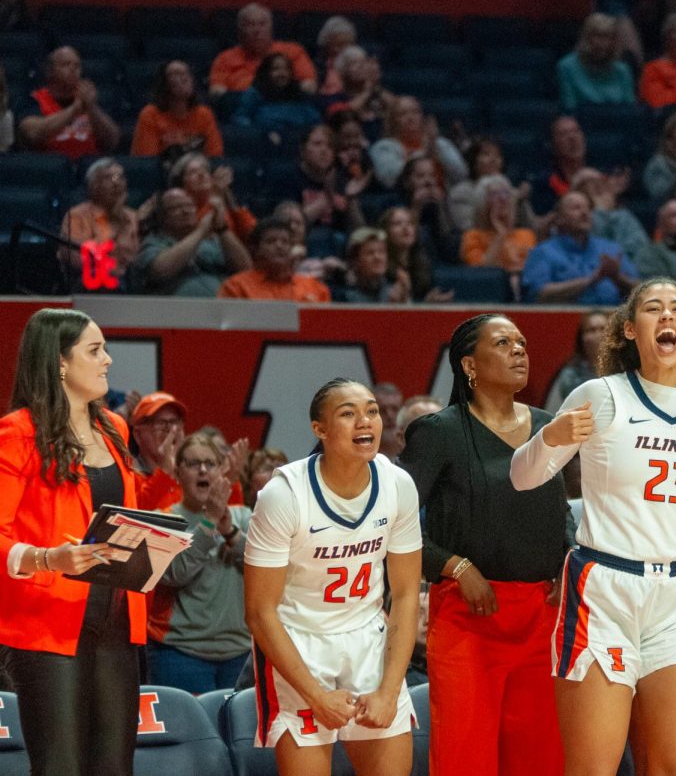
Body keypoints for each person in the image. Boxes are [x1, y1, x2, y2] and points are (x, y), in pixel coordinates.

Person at [510, 278, 676, 776]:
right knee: (593, 768)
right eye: (653, 309)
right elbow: (523, 476)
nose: (667, 316)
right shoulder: (600, 395)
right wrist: (548, 437)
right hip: (606, 590)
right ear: (629, 330)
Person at [399, 314, 571, 775]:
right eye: (503, 342)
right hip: (468, 616)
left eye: (521, 342)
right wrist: (452, 565)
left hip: (541, 616)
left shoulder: (546, 425)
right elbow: (391, 522)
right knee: (465, 758)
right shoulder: (438, 432)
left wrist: (565, 559)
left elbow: (563, 509)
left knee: (540, 758)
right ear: (469, 365)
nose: (519, 350)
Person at [244, 378, 422, 775]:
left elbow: (408, 594)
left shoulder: (398, 485)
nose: (366, 421)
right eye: (348, 413)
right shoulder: (284, 495)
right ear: (319, 429)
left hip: (369, 639)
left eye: (372, 411)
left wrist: (390, 689)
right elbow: (259, 612)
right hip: (299, 642)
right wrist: (316, 695)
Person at [0, 308, 142, 775]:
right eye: (95, 350)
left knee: (115, 768)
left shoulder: (114, 429)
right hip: (49, 627)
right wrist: (47, 558)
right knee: (61, 767)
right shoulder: (17, 434)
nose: (108, 360)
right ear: (59, 362)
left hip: (116, 625)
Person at [147, 432, 252, 693]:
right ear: (178, 472)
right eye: (193, 464)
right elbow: (175, 573)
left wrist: (230, 533)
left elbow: (265, 570)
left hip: (239, 652)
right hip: (179, 653)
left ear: (221, 472)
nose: (203, 470)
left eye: (210, 463)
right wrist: (208, 525)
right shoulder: (163, 520)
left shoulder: (243, 516)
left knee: (239, 733)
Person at [130, 188, 253, 297]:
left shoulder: (212, 242)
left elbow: (245, 269)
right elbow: (161, 270)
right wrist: (201, 231)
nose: (186, 211)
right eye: (177, 207)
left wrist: (222, 228)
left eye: (190, 206)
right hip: (177, 316)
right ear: (162, 217)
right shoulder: (153, 243)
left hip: (223, 313)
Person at [522, 190, 639, 304]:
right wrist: (590, 281)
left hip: (614, 319)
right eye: (576, 208)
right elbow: (538, 295)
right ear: (559, 219)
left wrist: (617, 277)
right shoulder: (543, 252)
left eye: (588, 208)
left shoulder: (611, 249)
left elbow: (641, 292)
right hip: (563, 320)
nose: (585, 213)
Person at [18, 46, 118, 158]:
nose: (73, 69)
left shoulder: (90, 100)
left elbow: (112, 141)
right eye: (65, 64)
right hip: (51, 167)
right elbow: (33, 134)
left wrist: (92, 108)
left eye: (77, 66)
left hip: (89, 169)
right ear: (50, 71)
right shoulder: (35, 99)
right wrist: (74, 110)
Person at [209, 3, 317, 96]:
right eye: (251, 25)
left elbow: (309, 85)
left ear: (271, 28)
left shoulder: (293, 51)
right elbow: (216, 90)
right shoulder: (224, 58)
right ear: (240, 30)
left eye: (262, 24)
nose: (257, 30)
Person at [59, 158, 139, 283]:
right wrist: (117, 225)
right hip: (91, 283)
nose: (116, 183)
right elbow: (78, 261)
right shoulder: (76, 216)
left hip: (130, 283)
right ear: (93, 185)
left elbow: (138, 259)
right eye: (108, 178)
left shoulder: (133, 216)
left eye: (120, 178)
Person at [218, 216, 332, 302]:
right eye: (271, 241)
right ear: (256, 249)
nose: (279, 246)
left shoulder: (316, 288)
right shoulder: (236, 287)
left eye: (285, 242)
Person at [369, 96, 468, 192]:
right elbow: (389, 178)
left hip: (444, 197)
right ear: (392, 120)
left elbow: (461, 174)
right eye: (403, 114)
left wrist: (435, 146)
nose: (410, 118)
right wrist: (426, 151)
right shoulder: (383, 147)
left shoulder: (440, 143)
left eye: (415, 112)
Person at [460, 177, 537, 297]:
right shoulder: (472, 236)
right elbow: (481, 274)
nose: (502, 199)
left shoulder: (526, 235)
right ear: (482, 203)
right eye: (494, 195)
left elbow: (534, 272)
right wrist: (501, 235)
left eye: (506, 193)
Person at [131, 60, 223, 159]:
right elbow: (147, 161)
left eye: (186, 74)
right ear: (164, 83)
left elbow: (215, 156)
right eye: (176, 74)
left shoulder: (204, 114)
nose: (184, 79)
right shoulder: (150, 114)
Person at [168, 153, 257, 250]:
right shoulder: (178, 210)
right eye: (192, 172)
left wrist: (228, 196)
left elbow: (255, 236)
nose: (201, 174)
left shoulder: (221, 201)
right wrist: (216, 196)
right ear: (181, 183)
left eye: (205, 170)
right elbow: (202, 239)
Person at [448, 138, 536, 233]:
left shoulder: (512, 191)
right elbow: (470, 230)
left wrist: (553, 216)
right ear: (474, 161)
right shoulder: (460, 194)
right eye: (486, 154)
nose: (493, 160)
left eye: (498, 155)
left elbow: (534, 227)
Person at [558, 12, 637, 111]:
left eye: (609, 37)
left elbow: (630, 111)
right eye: (598, 36)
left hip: (617, 124)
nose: (603, 43)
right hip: (581, 123)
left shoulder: (622, 71)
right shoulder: (567, 67)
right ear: (586, 38)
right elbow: (569, 109)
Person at [570, 167, 650, 261]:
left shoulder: (623, 216)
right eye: (587, 185)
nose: (594, 188)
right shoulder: (572, 219)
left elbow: (642, 250)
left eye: (599, 185)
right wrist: (600, 211)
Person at [377, 206, 453, 303]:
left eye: (410, 223)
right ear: (385, 231)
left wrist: (430, 303)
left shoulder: (423, 266)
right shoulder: (380, 267)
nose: (405, 227)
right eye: (397, 223)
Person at [233, 53, 322, 134]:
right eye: (276, 69)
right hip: (264, 140)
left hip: (297, 139)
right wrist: (260, 131)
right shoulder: (255, 93)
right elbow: (240, 118)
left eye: (286, 69)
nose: (282, 73)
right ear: (266, 72)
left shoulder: (297, 93)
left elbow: (315, 119)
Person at [544, 310, 608, 414]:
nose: (598, 335)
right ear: (581, 338)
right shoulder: (569, 376)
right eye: (592, 330)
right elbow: (551, 415)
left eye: (603, 329)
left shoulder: (627, 371)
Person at [332, 227, 400, 304]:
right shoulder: (343, 297)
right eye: (370, 253)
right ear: (355, 261)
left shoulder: (393, 292)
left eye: (381, 252)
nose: (378, 257)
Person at [315, 15, 358, 97]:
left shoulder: (359, 64)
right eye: (338, 45)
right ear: (326, 45)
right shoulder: (318, 64)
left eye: (348, 45)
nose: (344, 50)